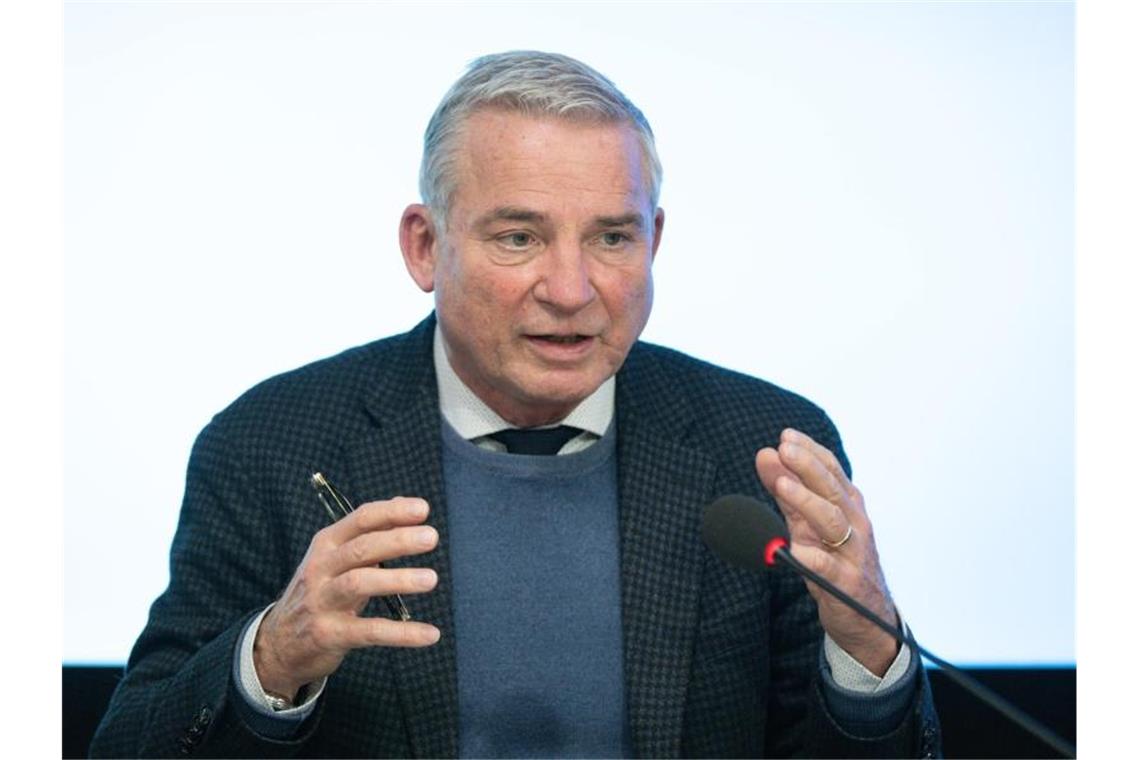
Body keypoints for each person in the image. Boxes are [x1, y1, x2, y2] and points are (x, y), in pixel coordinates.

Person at [91, 51, 940, 758]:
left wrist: (868, 655)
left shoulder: (759, 447)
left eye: (613, 237)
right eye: (519, 237)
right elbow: (132, 744)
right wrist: (273, 658)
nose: (572, 290)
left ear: (656, 242)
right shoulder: (271, 444)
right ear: (425, 247)